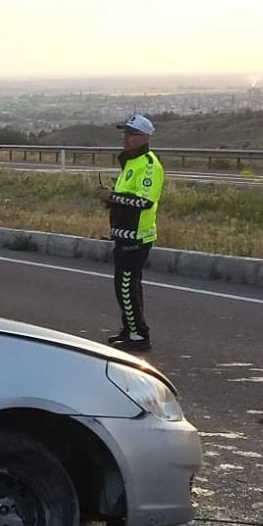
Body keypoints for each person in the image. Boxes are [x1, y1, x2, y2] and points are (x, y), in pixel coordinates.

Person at [97, 114, 166, 353]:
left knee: (126, 286)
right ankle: (130, 329)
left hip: (137, 237)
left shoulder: (148, 164)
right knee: (127, 286)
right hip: (124, 233)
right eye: (125, 133)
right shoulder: (131, 162)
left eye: (131, 134)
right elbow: (128, 197)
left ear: (145, 137)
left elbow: (145, 201)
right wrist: (112, 200)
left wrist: (112, 197)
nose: (125, 138)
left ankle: (138, 334)